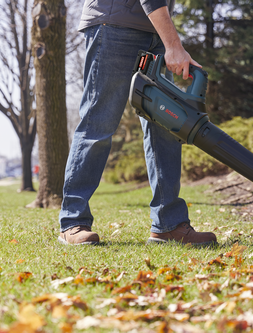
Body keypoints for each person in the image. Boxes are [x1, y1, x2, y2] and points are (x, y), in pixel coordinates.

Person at [57, 0, 217, 246]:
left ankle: (168, 224)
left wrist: (167, 41)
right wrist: (174, 45)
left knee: (166, 127)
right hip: (115, 25)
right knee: (98, 124)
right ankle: (73, 221)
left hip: (155, 31)